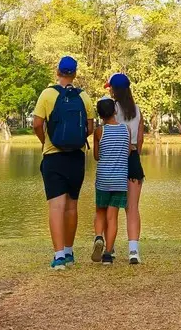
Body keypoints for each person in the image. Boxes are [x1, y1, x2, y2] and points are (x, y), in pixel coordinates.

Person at [31, 55, 91, 268]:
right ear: (74, 74)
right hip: (76, 156)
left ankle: (58, 257)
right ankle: (69, 251)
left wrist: (44, 140)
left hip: (53, 156)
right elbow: (90, 128)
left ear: (57, 72)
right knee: (72, 205)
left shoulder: (47, 94)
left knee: (56, 207)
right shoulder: (84, 97)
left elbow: (37, 124)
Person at [108, 71, 144, 263]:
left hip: (115, 160)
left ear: (113, 90)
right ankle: (133, 251)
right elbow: (140, 139)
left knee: (111, 206)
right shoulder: (137, 110)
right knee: (132, 208)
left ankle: (110, 249)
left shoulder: (111, 108)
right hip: (132, 160)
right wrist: (135, 155)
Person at [89, 97, 129, 263]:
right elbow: (127, 154)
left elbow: (97, 156)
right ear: (115, 111)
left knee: (100, 212)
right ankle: (108, 254)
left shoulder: (100, 131)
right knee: (112, 216)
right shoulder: (126, 130)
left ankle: (99, 237)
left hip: (103, 179)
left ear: (100, 114)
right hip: (120, 180)